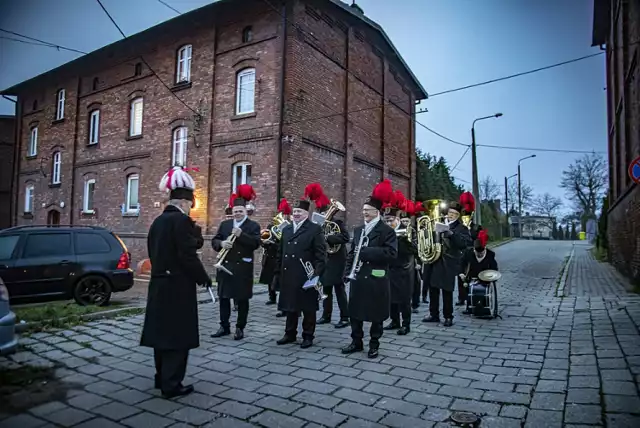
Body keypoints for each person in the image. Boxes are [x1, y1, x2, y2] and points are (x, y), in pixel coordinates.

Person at [140, 166, 211, 399]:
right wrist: (204, 278)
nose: (191, 209)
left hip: (159, 285)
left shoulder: (158, 222)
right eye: (190, 205)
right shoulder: (180, 221)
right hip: (178, 288)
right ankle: (172, 385)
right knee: (177, 337)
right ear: (184, 202)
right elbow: (187, 256)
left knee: (161, 336)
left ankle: (161, 378)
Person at [342, 179, 397, 359]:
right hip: (357, 277)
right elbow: (352, 253)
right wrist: (346, 272)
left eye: (368, 210)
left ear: (377, 212)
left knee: (376, 313)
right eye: (363, 210)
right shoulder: (358, 230)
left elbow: (391, 254)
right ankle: (356, 341)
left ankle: (374, 344)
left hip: (376, 277)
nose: (364, 212)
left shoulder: (387, 231)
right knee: (355, 312)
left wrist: (367, 252)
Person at [273, 195, 327, 349]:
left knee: (308, 307)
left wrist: (316, 275)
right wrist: (277, 273)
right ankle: (289, 333)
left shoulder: (314, 229)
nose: (296, 214)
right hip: (288, 274)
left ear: (306, 214)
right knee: (290, 306)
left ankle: (308, 335)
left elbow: (321, 254)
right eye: (294, 211)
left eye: (300, 212)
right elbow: (280, 252)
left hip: (306, 275)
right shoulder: (287, 228)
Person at [211, 185, 261, 340]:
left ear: (245, 211)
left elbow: (256, 244)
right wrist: (221, 244)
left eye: (240, 211)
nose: (237, 214)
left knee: (242, 299)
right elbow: (214, 241)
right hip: (225, 265)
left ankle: (240, 327)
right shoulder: (225, 225)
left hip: (242, 268)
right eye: (235, 211)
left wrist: (241, 235)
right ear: (232, 212)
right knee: (224, 298)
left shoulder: (253, 226)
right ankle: (224, 326)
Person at [422, 199, 472, 327]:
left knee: (447, 290)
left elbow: (464, 244)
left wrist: (452, 234)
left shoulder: (462, 228)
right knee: (433, 288)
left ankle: (448, 316)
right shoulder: (437, 222)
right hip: (434, 259)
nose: (451, 215)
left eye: (454, 214)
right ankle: (433, 314)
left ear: (458, 216)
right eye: (450, 212)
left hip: (448, 261)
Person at [308, 184, 350, 329]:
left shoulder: (337, 223)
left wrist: (329, 238)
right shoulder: (317, 225)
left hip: (337, 260)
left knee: (339, 289)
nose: (324, 213)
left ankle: (345, 317)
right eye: (321, 211)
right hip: (326, 259)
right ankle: (326, 315)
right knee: (326, 288)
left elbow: (346, 237)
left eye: (325, 210)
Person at [383, 195, 417, 335]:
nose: (388, 223)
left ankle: (406, 324)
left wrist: (403, 240)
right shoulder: (386, 231)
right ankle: (394, 320)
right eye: (386, 220)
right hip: (390, 267)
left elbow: (415, 249)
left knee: (404, 298)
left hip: (404, 269)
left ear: (397, 219)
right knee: (391, 297)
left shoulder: (409, 230)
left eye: (390, 220)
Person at [260, 199, 291, 307]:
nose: (282, 216)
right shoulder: (271, 227)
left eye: (284, 214)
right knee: (269, 278)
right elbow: (264, 239)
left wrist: (273, 244)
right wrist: (264, 242)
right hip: (270, 256)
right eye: (281, 214)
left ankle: (283, 300)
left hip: (281, 256)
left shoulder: (289, 227)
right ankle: (271, 297)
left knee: (282, 280)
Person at [460, 229, 498, 314]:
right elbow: (461, 263)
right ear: (474, 249)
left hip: (485, 278)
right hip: (471, 276)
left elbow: (494, 268)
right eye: (478, 253)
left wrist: (492, 277)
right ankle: (469, 306)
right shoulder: (468, 253)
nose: (480, 255)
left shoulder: (490, 254)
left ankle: (487, 306)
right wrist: (461, 273)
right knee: (466, 288)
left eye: (482, 253)